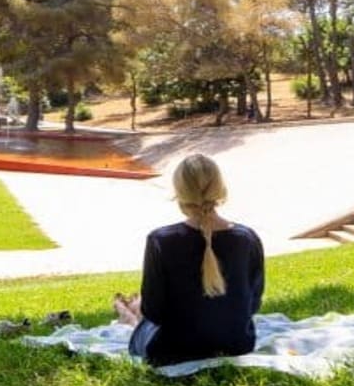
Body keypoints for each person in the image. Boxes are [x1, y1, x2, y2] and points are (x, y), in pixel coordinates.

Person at [113, 153, 265, 366]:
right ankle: (128, 310)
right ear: (220, 188)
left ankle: (126, 314)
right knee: (146, 315)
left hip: (172, 348)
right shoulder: (247, 238)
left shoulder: (160, 240)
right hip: (237, 343)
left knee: (143, 321)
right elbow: (253, 304)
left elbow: (154, 311)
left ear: (180, 193)